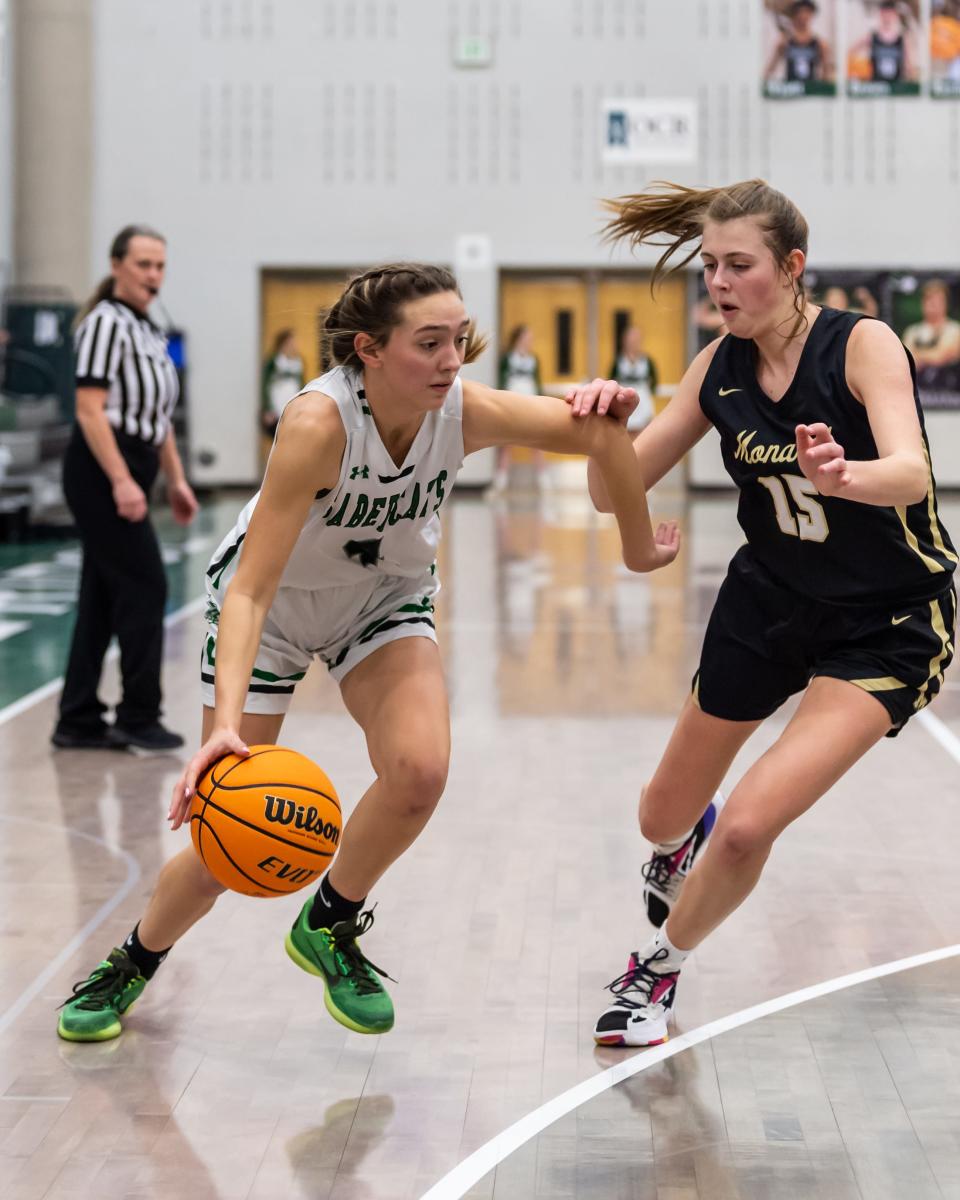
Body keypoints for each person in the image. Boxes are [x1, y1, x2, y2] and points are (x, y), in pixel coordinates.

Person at [57, 262, 680, 1043]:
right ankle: (133, 961)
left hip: (383, 601)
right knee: (232, 831)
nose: (452, 359)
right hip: (274, 610)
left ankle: (331, 920)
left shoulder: (462, 409)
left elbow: (599, 433)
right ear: (369, 350)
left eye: (458, 339)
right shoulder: (318, 424)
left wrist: (634, 542)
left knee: (420, 772)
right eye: (430, 343)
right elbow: (250, 589)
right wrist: (220, 726)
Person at [569, 179, 956, 1047]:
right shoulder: (717, 369)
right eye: (709, 266)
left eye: (738, 266)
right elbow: (609, 490)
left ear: (791, 268)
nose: (719, 282)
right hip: (769, 602)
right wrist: (602, 429)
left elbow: (911, 472)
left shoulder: (862, 345)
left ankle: (654, 974)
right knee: (661, 815)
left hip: (885, 621)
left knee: (745, 827)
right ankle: (676, 849)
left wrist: (844, 475)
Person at [52, 225, 198, 753]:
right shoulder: (105, 324)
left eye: (160, 266)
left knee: (101, 594)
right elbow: (90, 409)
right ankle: (139, 717)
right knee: (146, 586)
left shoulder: (149, 329)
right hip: (98, 466)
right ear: (117, 266)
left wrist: (176, 480)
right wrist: (120, 481)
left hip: (134, 463)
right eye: (143, 265)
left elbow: (160, 421)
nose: (153, 276)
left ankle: (78, 717)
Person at [495, 324, 543, 488]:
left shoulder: (533, 359)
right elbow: (502, 383)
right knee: (507, 443)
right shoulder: (507, 359)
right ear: (518, 339)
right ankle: (501, 481)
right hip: (512, 404)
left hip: (531, 403)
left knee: (537, 442)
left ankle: (543, 480)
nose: (530, 341)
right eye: (527, 337)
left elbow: (538, 383)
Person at [901, 279, 960, 384]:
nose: (933, 304)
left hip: (948, 393)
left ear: (946, 304)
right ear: (922, 303)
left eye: (937, 301)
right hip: (918, 387)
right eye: (929, 300)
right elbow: (905, 360)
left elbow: (943, 355)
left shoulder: (954, 329)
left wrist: (919, 357)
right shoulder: (912, 331)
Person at [763, 0, 834, 86]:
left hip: (810, 89)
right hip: (791, 90)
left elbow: (826, 70)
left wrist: (825, 87)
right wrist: (763, 83)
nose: (803, 16)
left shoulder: (819, 43)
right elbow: (771, 67)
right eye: (800, 12)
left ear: (811, 14)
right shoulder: (785, 42)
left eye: (806, 12)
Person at [849, 0, 917, 85]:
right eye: (884, 14)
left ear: (895, 15)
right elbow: (851, 51)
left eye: (889, 14)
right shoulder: (871, 37)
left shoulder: (902, 39)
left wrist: (911, 79)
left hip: (896, 86)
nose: (887, 17)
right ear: (880, 14)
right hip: (877, 85)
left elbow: (909, 66)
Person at [608, 325, 659, 432]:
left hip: (643, 399)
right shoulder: (619, 361)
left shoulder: (647, 361)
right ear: (625, 340)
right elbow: (611, 380)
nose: (633, 342)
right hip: (624, 398)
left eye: (636, 339)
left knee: (644, 430)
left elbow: (654, 381)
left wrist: (649, 390)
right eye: (631, 338)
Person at [261, 329, 305, 434]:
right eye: (289, 343)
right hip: (276, 405)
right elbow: (265, 385)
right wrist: (267, 408)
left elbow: (301, 384)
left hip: (292, 403)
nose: (292, 346)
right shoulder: (274, 361)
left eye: (293, 343)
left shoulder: (298, 362)